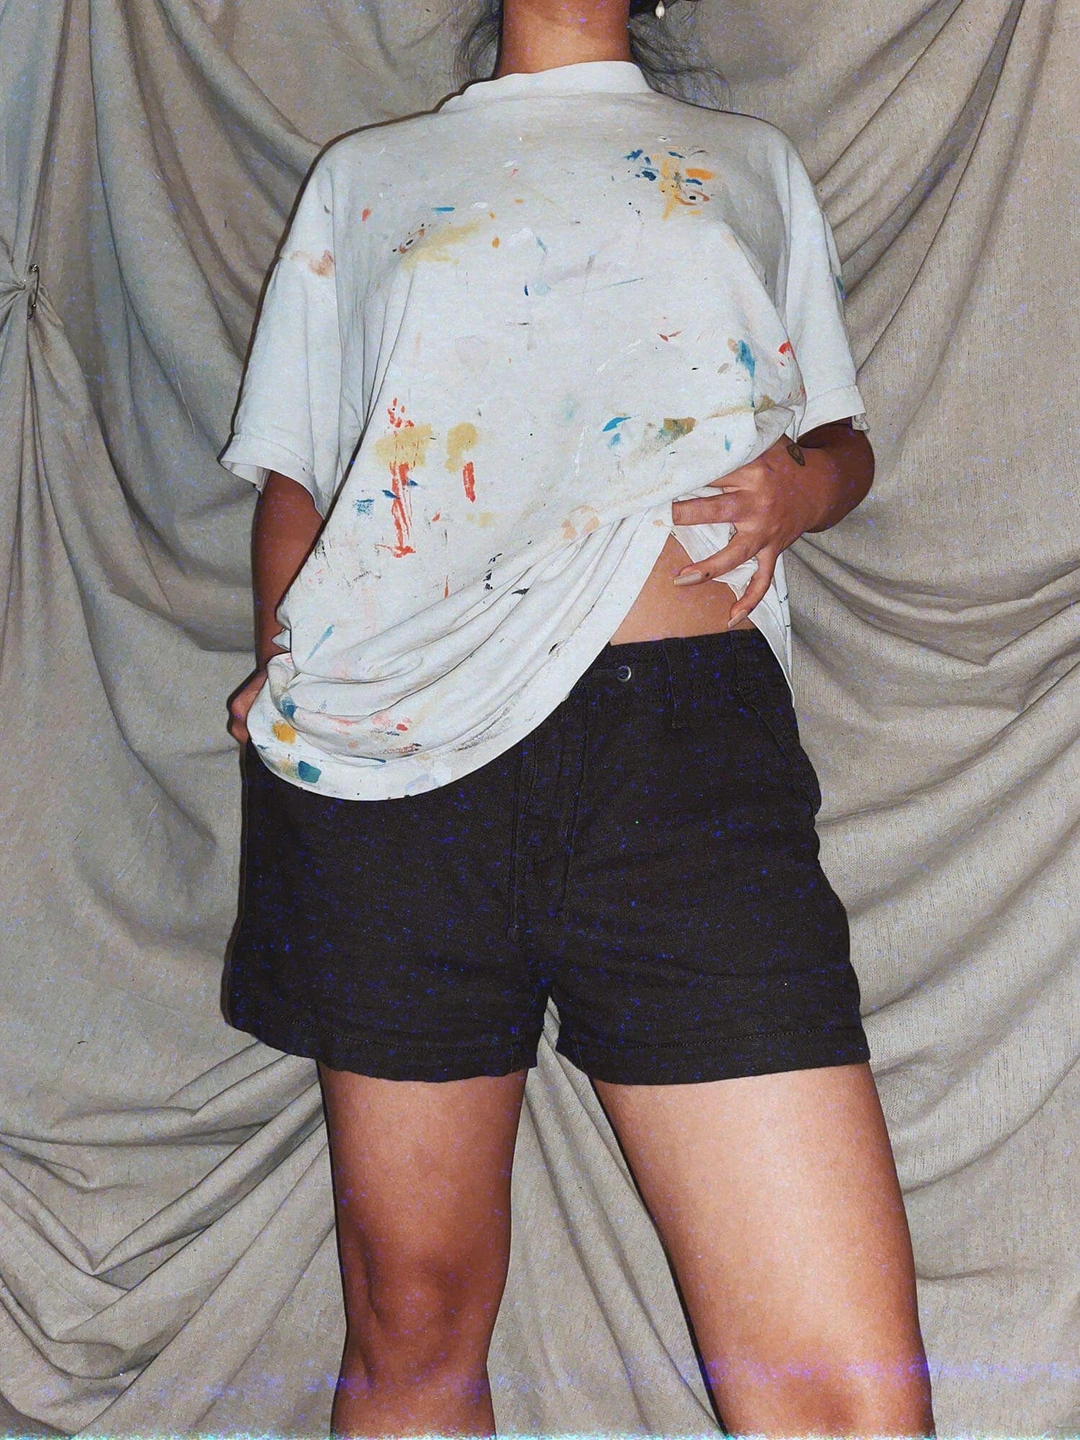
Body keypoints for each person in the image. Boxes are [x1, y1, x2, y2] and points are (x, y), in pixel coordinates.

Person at [221, 1, 936, 1435]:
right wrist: (283, 661)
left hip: (683, 764)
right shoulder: (365, 178)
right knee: (414, 1319)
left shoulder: (746, 163)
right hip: (396, 771)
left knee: (839, 1394)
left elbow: (838, 433)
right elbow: (300, 471)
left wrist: (804, 489)